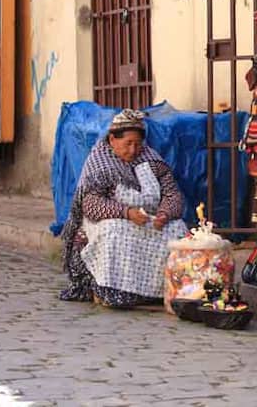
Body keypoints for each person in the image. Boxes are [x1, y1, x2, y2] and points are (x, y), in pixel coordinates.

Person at [59, 109, 187, 308]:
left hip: (150, 219)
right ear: (112, 139)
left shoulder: (152, 161)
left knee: (178, 229)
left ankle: (162, 290)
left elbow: (172, 194)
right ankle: (113, 290)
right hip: (111, 219)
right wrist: (126, 213)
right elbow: (91, 204)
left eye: (138, 144)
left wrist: (165, 213)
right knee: (114, 230)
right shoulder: (100, 164)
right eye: (128, 143)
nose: (134, 150)